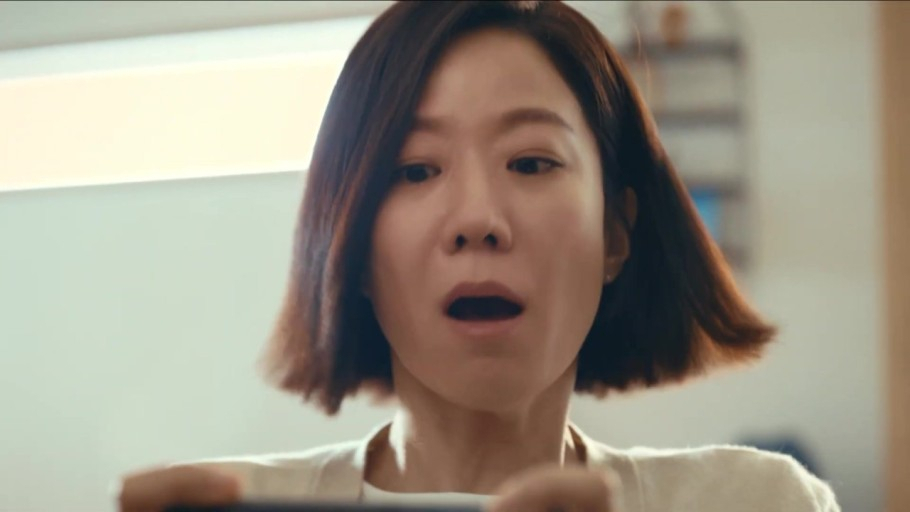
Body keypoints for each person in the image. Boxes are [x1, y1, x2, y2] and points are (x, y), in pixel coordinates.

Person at [117, 1, 840, 511]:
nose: (477, 221)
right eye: (415, 170)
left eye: (530, 163)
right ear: (355, 246)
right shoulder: (230, 503)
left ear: (616, 235)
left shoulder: (760, 502)